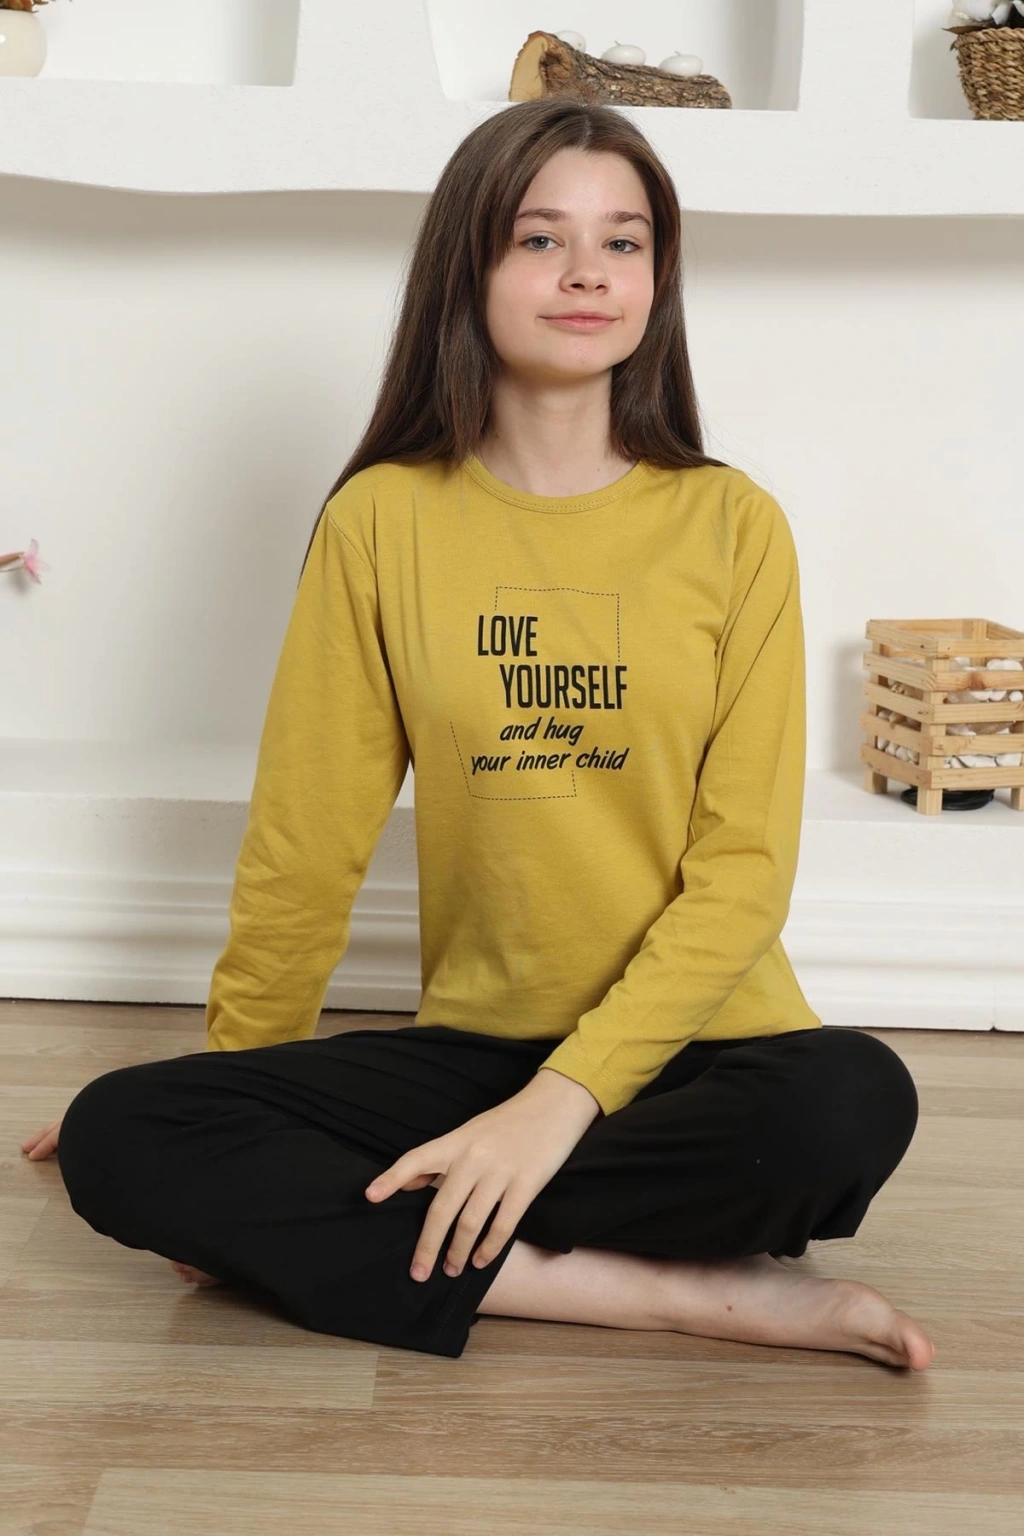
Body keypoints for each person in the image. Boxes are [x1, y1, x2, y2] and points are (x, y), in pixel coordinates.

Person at [23, 98, 935, 1371]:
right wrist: (232, 1093)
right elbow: (306, 840)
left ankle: (406, 1228)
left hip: (700, 1049)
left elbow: (742, 873)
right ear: (470, 266)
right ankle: (665, 1292)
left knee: (850, 1102)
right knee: (123, 1135)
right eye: (540, 238)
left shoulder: (734, 528)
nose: (586, 273)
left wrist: (557, 1106)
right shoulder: (381, 521)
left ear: (657, 278)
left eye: (623, 242)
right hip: (473, 1052)